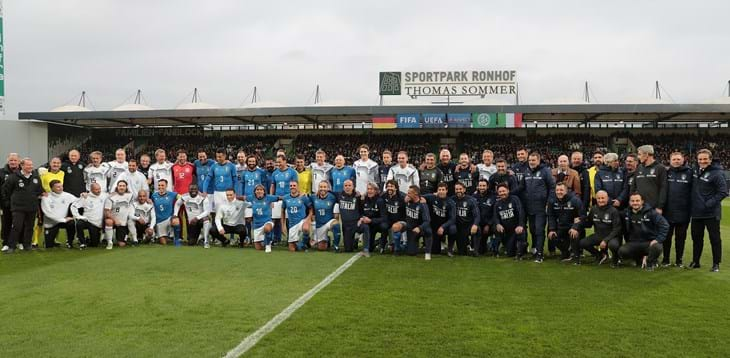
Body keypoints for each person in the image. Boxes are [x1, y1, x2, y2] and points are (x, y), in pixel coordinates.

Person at [689, 149, 728, 272]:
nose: (702, 161)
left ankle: (716, 264)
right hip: (696, 213)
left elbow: (723, 192)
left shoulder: (717, 173)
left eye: (705, 159)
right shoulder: (694, 170)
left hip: (711, 213)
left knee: (715, 239)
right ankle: (696, 261)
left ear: (710, 159)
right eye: (700, 159)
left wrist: (708, 204)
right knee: (696, 239)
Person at [2, 158, 43, 253]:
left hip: (32, 206)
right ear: (22, 166)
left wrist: (37, 195)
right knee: (17, 226)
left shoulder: (36, 177)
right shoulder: (13, 177)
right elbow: (5, 191)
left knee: (30, 227)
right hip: (18, 207)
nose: (31, 167)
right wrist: (8, 202)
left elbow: (39, 190)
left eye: (31, 165)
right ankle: (11, 246)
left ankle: (27, 245)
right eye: (28, 165)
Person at [520, 152, 555, 263]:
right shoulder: (526, 172)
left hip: (541, 207)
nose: (531, 162)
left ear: (538, 160)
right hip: (529, 207)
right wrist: (509, 193)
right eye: (530, 160)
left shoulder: (545, 171)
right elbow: (522, 187)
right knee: (532, 229)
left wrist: (548, 203)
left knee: (540, 230)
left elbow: (552, 187)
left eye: (533, 160)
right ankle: (535, 249)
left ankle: (540, 254)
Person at [620, 192, 668, 271]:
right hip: (634, 242)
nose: (635, 203)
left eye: (637, 200)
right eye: (632, 201)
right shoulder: (626, 213)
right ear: (629, 202)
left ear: (642, 201)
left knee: (657, 247)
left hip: (648, 242)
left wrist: (657, 239)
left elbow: (665, 225)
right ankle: (639, 259)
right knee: (622, 251)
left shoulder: (651, 213)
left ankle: (650, 262)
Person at [662, 152, 693, 267]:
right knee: (666, 238)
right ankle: (665, 259)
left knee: (680, 238)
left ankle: (679, 260)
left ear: (683, 160)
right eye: (674, 159)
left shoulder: (690, 173)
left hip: (683, 212)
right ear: (670, 161)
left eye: (678, 159)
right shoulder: (666, 172)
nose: (676, 161)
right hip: (667, 212)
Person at [580, 190, 622, 266]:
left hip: (611, 237)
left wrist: (605, 240)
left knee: (613, 245)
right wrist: (580, 220)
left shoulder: (614, 211)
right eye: (598, 198)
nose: (600, 200)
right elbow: (589, 224)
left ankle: (615, 259)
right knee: (583, 243)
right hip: (598, 235)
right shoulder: (593, 209)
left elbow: (617, 229)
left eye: (603, 198)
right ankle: (599, 255)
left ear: (607, 198)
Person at [392, 185, 432, 260]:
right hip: (410, 228)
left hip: (420, 228)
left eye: (409, 193)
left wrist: (419, 228)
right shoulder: (407, 201)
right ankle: (397, 249)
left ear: (416, 194)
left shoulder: (422, 205)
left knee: (428, 230)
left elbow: (427, 221)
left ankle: (427, 252)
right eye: (407, 193)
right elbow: (398, 195)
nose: (407, 195)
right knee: (411, 253)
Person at [547, 182, 584, 263]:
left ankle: (576, 257)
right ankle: (565, 252)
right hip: (561, 226)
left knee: (573, 233)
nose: (559, 192)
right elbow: (551, 216)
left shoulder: (575, 200)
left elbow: (582, 216)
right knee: (551, 235)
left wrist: (575, 227)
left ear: (566, 191)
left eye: (561, 190)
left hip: (573, 226)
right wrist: (552, 229)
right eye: (557, 190)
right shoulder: (552, 201)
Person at [631, 145, 667, 214]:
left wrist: (660, 207)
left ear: (646, 155)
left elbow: (663, 189)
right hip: (639, 207)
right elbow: (633, 187)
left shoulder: (660, 168)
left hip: (654, 208)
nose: (638, 157)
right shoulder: (639, 168)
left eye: (639, 154)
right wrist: (632, 202)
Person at [40, 180, 77, 249]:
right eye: (58, 187)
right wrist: (62, 219)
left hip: (64, 221)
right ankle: (48, 241)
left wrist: (84, 196)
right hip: (51, 223)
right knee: (49, 247)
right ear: (52, 188)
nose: (61, 188)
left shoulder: (67, 195)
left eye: (61, 186)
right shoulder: (46, 197)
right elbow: (48, 214)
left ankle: (70, 242)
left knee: (71, 223)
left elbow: (79, 201)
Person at [493, 184, 526, 259]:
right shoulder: (497, 204)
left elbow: (521, 212)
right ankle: (496, 250)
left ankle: (521, 250)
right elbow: (495, 216)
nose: (502, 193)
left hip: (516, 229)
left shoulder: (515, 199)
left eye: (504, 191)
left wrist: (520, 225)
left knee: (521, 232)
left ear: (508, 190)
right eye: (500, 192)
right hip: (506, 230)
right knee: (510, 253)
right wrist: (498, 224)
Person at [422, 182, 456, 255]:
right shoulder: (431, 197)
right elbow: (419, 197)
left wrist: (443, 227)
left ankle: (450, 249)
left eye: (443, 190)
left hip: (445, 226)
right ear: (437, 190)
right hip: (434, 226)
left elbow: (452, 219)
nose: (441, 191)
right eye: (439, 190)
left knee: (453, 229)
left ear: (446, 191)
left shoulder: (451, 202)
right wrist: (423, 199)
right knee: (435, 251)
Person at [270, 155, 298, 245]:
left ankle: (290, 238)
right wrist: (271, 198)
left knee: (289, 219)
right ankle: (276, 238)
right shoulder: (275, 173)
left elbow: (295, 185)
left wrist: (295, 197)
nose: (278, 164)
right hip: (277, 199)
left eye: (280, 162)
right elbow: (273, 185)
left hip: (288, 199)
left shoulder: (292, 172)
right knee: (275, 219)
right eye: (277, 162)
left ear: (285, 161)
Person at [174, 183, 211, 248]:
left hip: (200, 220)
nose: (193, 191)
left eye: (195, 189)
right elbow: (177, 204)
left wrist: (197, 218)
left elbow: (207, 211)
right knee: (191, 243)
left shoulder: (203, 198)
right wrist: (175, 215)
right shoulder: (184, 197)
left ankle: (206, 241)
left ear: (198, 190)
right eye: (191, 189)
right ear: (188, 190)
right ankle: (200, 236)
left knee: (206, 219)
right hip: (192, 223)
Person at [70, 183, 106, 248]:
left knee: (94, 244)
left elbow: (114, 194)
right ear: (91, 190)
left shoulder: (104, 195)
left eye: (99, 189)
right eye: (96, 189)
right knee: (79, 223)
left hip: (97, 224)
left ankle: (88, 240)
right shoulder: (85, 197)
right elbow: (74, 206)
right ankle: (82, 242)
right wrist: (78, 216)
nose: (99, 191)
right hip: (87, 221)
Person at [336, 180, 368, 253]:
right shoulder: (339, 195)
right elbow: (328, 193)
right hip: (346, 225)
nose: (347, 187)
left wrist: (361, 218)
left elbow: (362, 210)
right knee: (348, 249)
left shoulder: (358, 196)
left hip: (356, 223)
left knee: (366, 227)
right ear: (343, 187)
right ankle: (354, 239)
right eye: (346, 186)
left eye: (349, 185)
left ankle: (366, 247)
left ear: (353, 187)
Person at [281, 181, 312, 252]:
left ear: (298, 187)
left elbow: (311, 208)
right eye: (291, 186)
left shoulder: (303, 197)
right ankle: (302, 243)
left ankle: (304, 243)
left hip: (302, 221)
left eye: (294, 185)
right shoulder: (285, 198)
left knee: (306, 228)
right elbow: (282, 212)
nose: (292, 187)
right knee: (292, 249)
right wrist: (283, 225)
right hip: (292, 224)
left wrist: (308, 219)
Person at [452, 182, 480, 257]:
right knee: (462, 253)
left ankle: (475, 250)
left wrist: (475, 225)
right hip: (459, 227)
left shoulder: (471, 200)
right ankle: (465, 245)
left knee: (478, 229)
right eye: (456, 189)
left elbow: (477, 215)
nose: (458, 191)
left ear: (464, 189)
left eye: (460, 189)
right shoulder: (452, 200)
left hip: (469, 226)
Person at [103, 180, 134, 250]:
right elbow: (107, 212)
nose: (122, 187)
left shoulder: (130, 196)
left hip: (123, 223)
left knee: (122, 244)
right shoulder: (111, 197)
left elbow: (139, 200)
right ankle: (109, 242)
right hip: (114, 221)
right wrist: (115, 220)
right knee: (108, 221)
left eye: (123, 186)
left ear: (126, 187)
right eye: (120, 186)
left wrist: (148, 199)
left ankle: (117, 236)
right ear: (117, 187)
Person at [312, 181, 340, 251]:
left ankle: (336, 245)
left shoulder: (332, 197)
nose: (322, 189)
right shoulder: (313, 197)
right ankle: (327, 239)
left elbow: (342, 199)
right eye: (321, 187)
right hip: (319, 225)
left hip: (329, 222)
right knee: (321, 248)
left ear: (328, 188)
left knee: (336, 224)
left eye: (325, 187)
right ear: (318, 188)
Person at [250, 184, 279, 252]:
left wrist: (291, 197)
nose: (259, 191)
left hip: (267, 222)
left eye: (261, 190)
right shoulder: (251, 198)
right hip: (257, 225)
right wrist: (235, 197)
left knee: (267, 228)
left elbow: (279, 198)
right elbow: (243, 198)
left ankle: (268, 244)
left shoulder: (268, 197)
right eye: (257, 190)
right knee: (258, 248)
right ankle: (267, 239)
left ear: (264, 191)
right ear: (255, 191)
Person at [206, 148, 237, 212]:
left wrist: (235, 192)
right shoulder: (214, 166)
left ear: (225, 156)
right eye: (217, 157)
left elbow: (235, 180)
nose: (218, 158)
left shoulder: (231, 166)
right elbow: (207, 180)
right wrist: (204, 191)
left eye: (220, 157)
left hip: (229, 192)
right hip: (217, 193)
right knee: (218, 212)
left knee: (230, 212)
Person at [152, 179, 180, 245]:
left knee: (176, 220)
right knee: (163, 243)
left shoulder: (172, 194)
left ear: (166, 186)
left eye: (162, 185)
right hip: (159, 222)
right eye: (159, 185)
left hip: (169, 219)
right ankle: (167, 237)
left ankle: (177, 240)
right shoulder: (154, 196)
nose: (160, 187)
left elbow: (181, 198)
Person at [361, 182, 387, 255]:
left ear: (376, 191)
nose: (369, 191)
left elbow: (384, 218)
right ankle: (376, 242)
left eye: (371, 189)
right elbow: (361, 212)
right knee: (370, 249)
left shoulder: (380, 201)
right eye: (368, 189)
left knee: (384, 226)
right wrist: (363, 218)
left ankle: (382, 244)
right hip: (369, 225)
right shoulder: (364, 200)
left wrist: (371, 220)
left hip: (378, 224)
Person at [382, 180, 406, 254]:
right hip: (389, 220)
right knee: (383, 226)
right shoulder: (383, 196)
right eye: (388, 186)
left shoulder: (402, 197)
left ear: (396, 188)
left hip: (401, 221)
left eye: (392, 186)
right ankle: (383, 244)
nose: (389, 188)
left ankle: (399, 245)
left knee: (407, 249)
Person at [474, 179, 496, 256]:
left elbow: (495, 213)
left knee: (496, 228)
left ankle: (495, 248)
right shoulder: (474, 197)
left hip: (489, 224)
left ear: (488, 186)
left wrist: (488, 224)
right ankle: (476, 247)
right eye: (480, 186)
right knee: (481, 250)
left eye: (484, 186)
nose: (482, 187)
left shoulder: (493, 196)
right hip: (478, 224)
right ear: (477, 186)